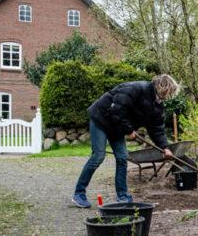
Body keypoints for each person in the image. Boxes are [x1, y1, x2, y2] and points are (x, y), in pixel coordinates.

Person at [72, 74, 179, 208]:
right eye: (170, 91)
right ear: (163, 87)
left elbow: (157, 129)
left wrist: (165, 147)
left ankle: (122, 195)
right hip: (101, 119)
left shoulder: (157, 105)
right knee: (98, 156)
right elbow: (117, 110)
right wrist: (129, 130)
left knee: (122, 157)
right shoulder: (136, 88)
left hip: (117, 127)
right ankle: (79, 193)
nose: (170, 95)